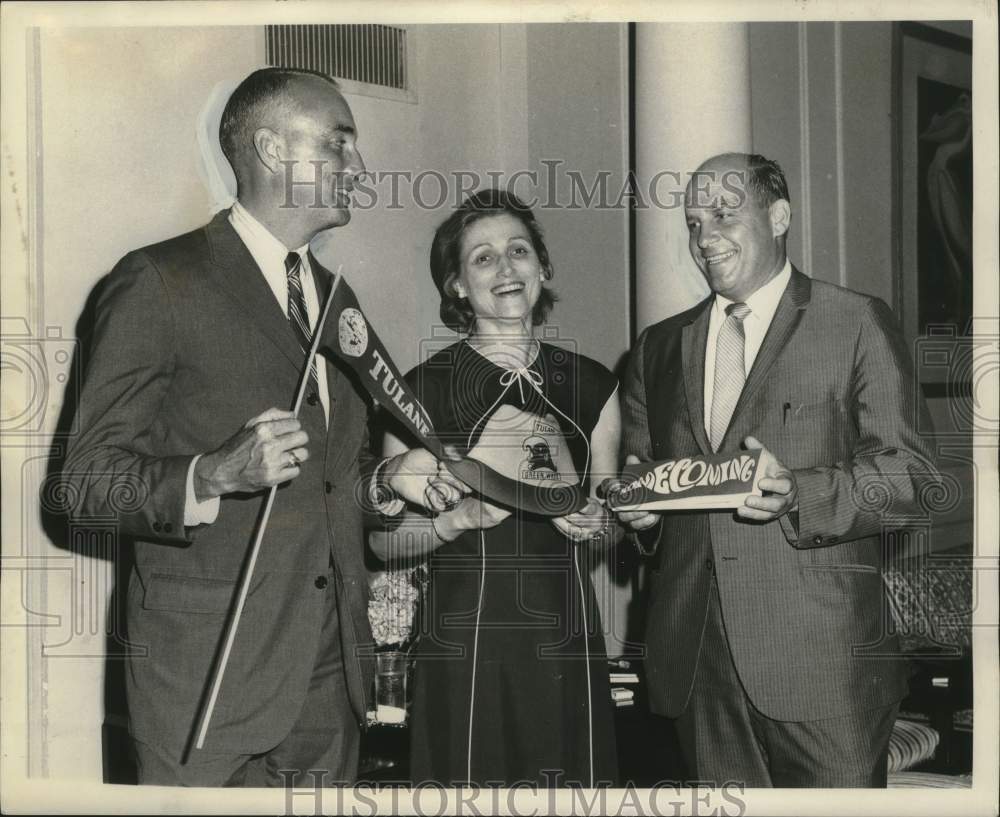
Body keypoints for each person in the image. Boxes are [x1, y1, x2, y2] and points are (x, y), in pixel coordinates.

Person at [61, 67, 448, 787]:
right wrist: (208, 474)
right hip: (203, 684)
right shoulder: (159, 281)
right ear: (271, 149)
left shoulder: (337, 300)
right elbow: (81, 485)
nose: (357, 166)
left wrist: (389, 484)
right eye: (338, 143)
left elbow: (334, 482)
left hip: (330, 683)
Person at [616, 153, 938, 787]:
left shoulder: (856, 322)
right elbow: (646, 493)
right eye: (693, 221)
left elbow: (914, 478)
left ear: (780, 215)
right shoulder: (656, 346)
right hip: (697, 665)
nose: (704, 238)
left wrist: (801, 493)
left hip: (824, 669)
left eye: (724, 215)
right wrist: (642, 515)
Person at [370, 189, 620, 787]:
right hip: (464, 635)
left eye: (519, 251)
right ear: (457, 285)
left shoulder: (593, 384)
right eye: (482, 258)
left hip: (564, 631)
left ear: (543, 268)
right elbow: (382, 547)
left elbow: (610, 517)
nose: (506, 269)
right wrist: (454, 522)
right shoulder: (418, 390)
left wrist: (600, 522)